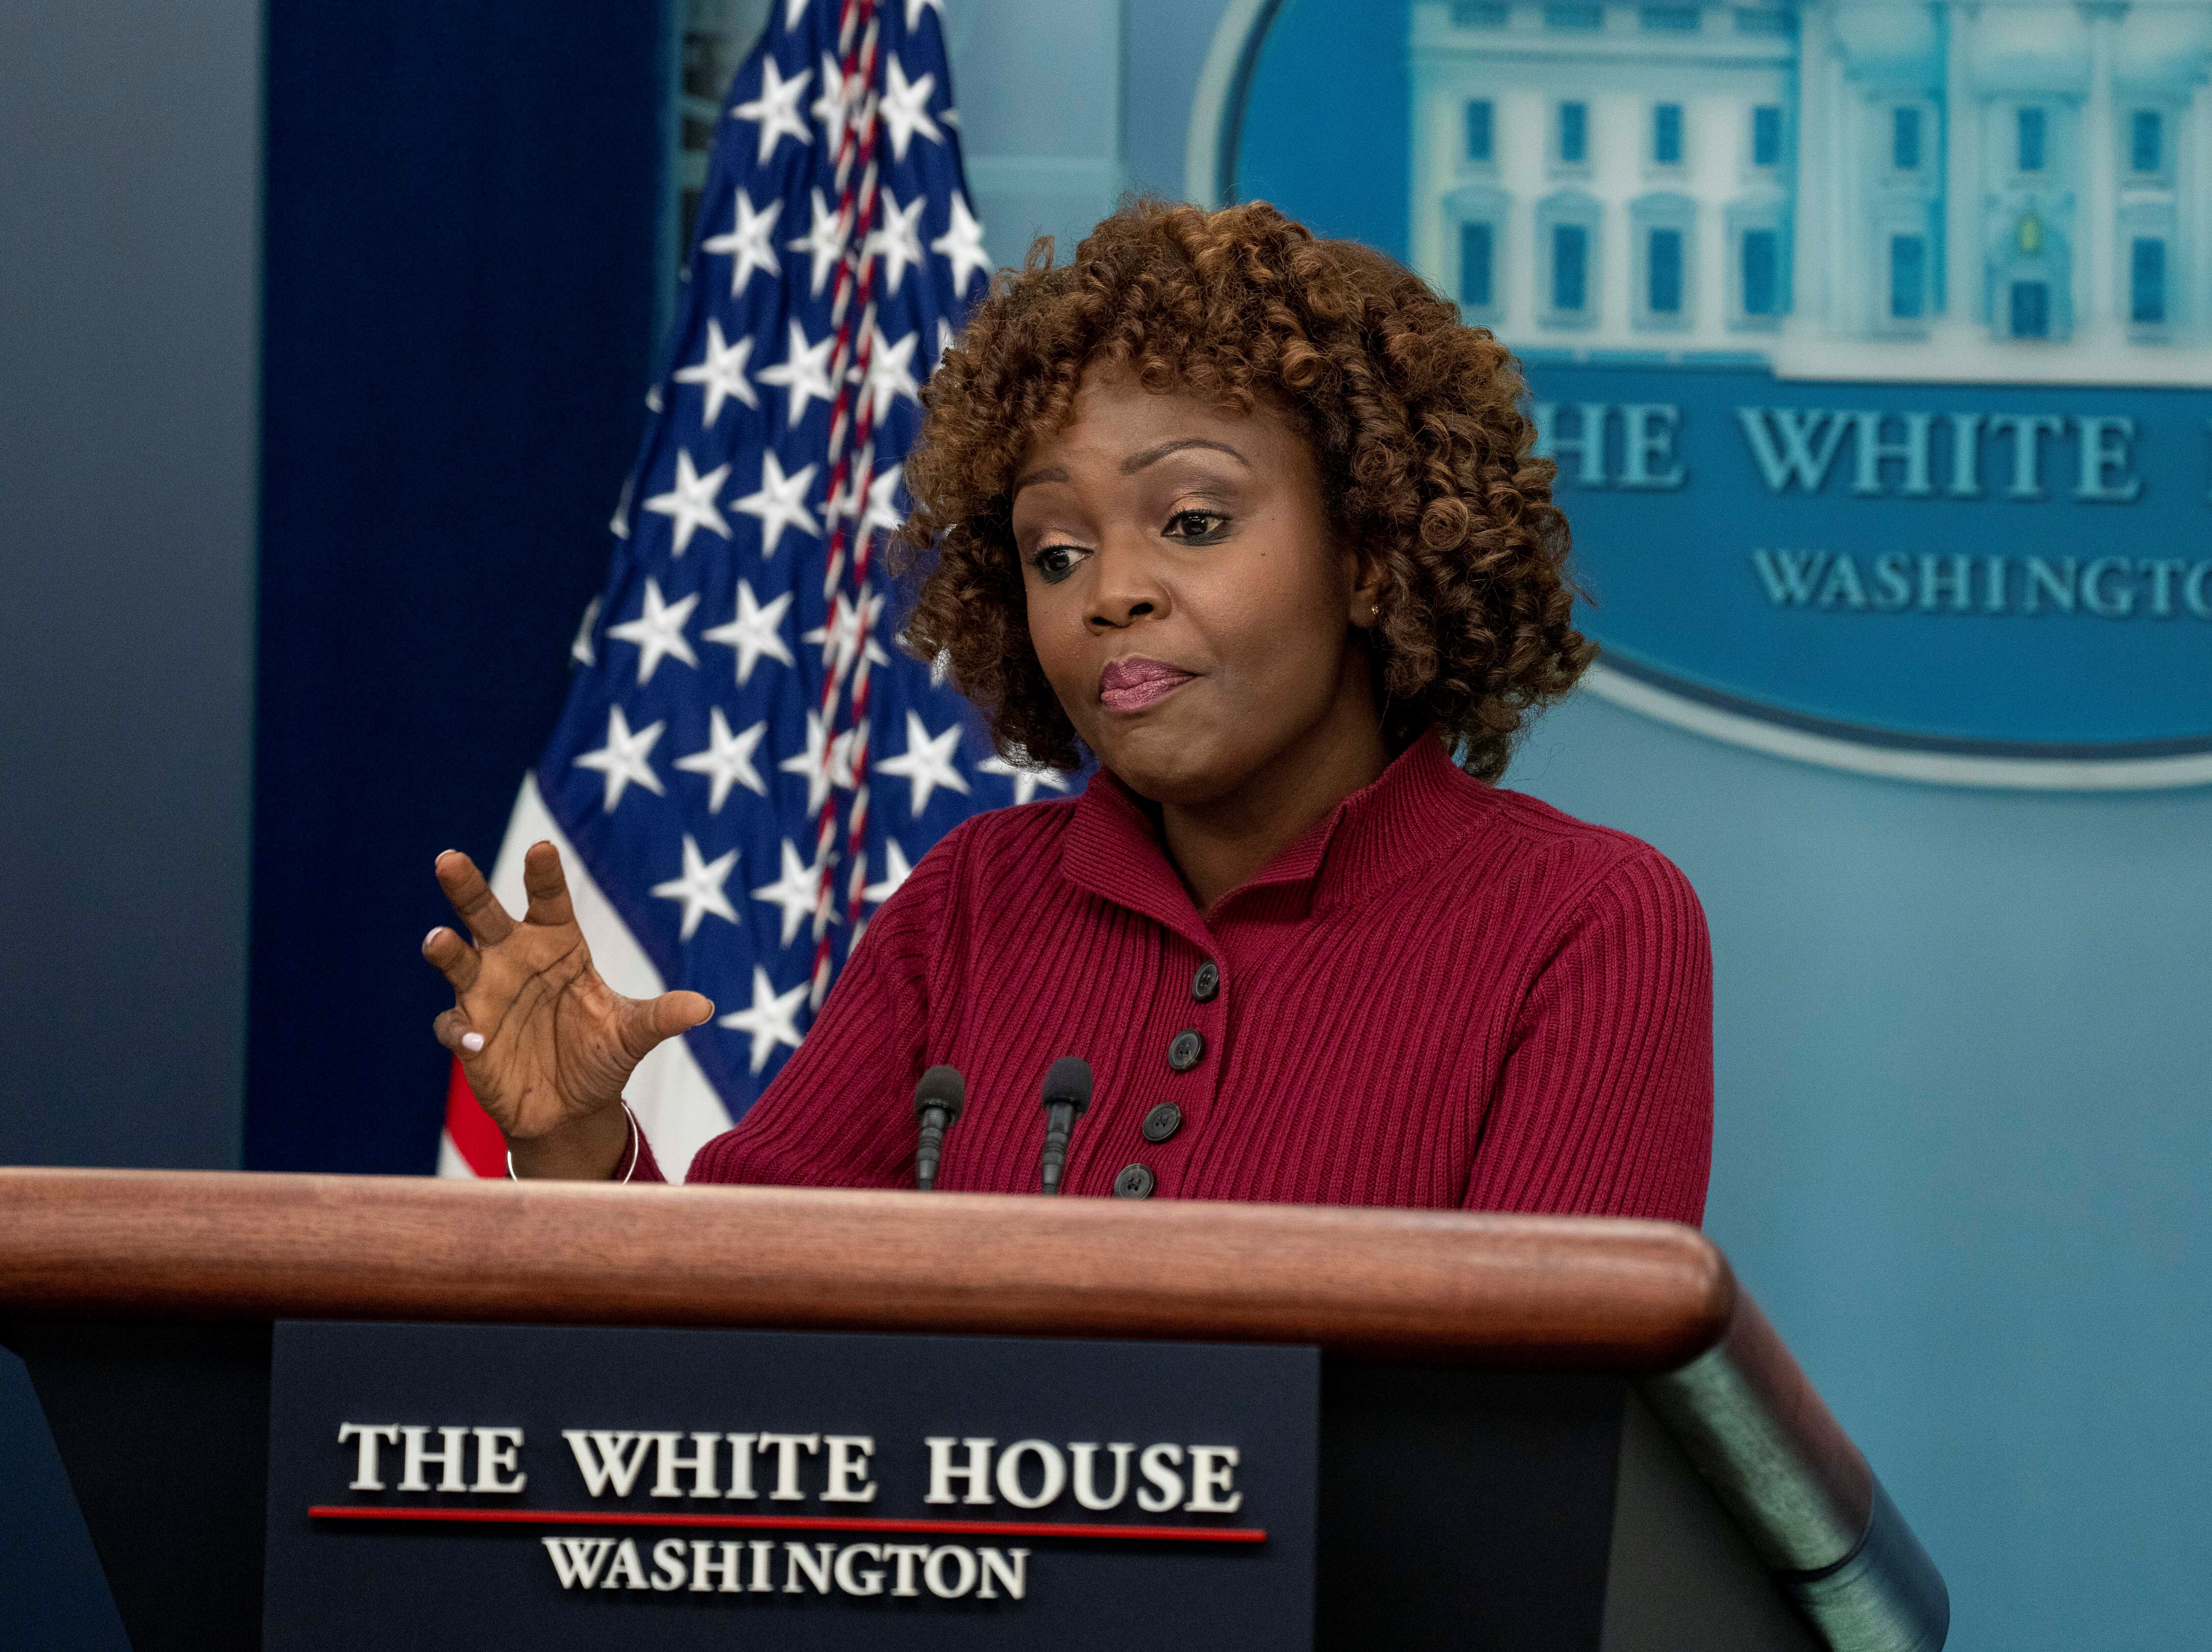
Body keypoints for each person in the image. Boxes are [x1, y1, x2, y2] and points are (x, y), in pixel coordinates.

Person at [422, 199, 1713, 1223]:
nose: (1110, 595)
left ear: (1372, 553)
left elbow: (1531, 1429)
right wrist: (580, 1143)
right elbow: (755, 1359)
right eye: (1055, 551)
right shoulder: (973, 902)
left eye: (1192, 521)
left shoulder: (1582, 923)